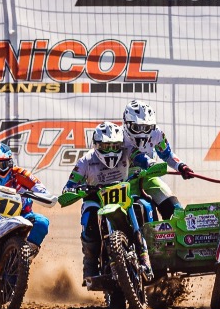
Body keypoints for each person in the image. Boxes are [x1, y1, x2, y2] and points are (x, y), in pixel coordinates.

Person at [58, 121, 167, 287]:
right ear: (96, 145)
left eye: (115, 146)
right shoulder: (85, 161)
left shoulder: (128, 151)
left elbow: (143, 159)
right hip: (95, 199)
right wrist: (74, 190)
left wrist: (151, 165)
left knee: (144, 206)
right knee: (89, 219)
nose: (111, 151)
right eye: (106, 146)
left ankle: (153, 253)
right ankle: (90, 266)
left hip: (124, 196)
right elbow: (69, 186)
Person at [121, 99, 194, 221]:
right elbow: (137, 156)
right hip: (125, 183)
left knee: (175, 210)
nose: (142, 132)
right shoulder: (118, 137)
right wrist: (151, 163)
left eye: (147, 127)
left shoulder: (156, 133)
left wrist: (181, 166)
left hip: (149, 177)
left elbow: (167, 154)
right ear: (126, 124)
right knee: (144, 212)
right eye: (137, 127)